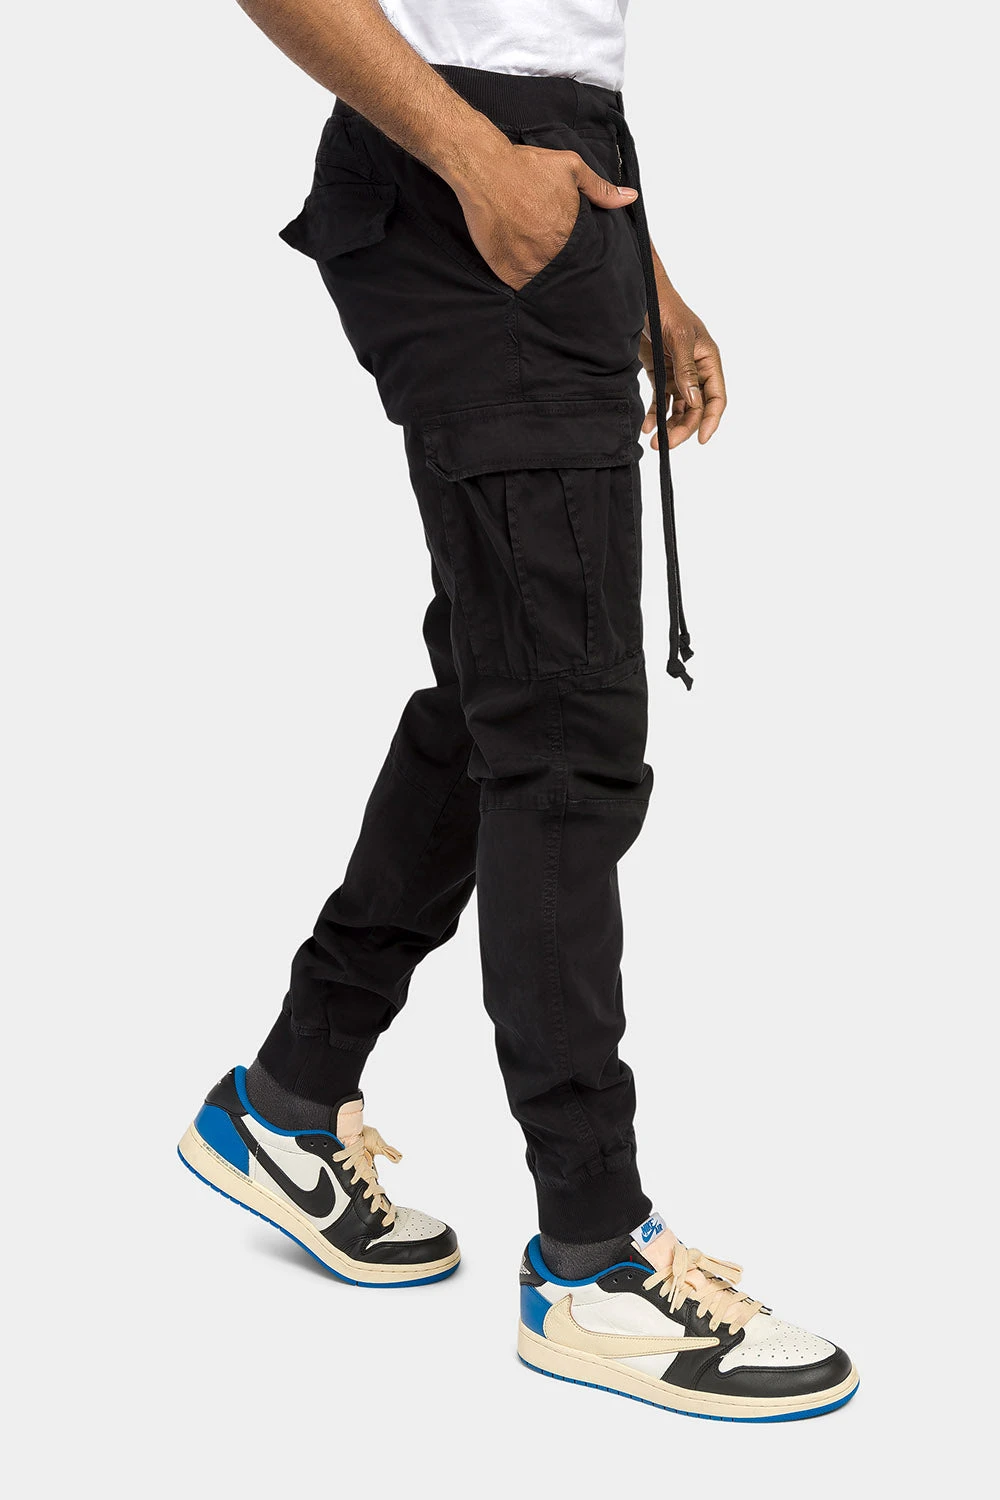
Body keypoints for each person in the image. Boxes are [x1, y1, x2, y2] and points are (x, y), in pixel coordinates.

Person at [178, 0, 858, 1421]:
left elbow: (551, 42)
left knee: (501, 695)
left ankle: (292, 1094)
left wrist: (645, 281)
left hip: (556, 176)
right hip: (462, 169)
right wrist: (480, 161)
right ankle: (593, 1261)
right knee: (561, 736)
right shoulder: (473, 155)